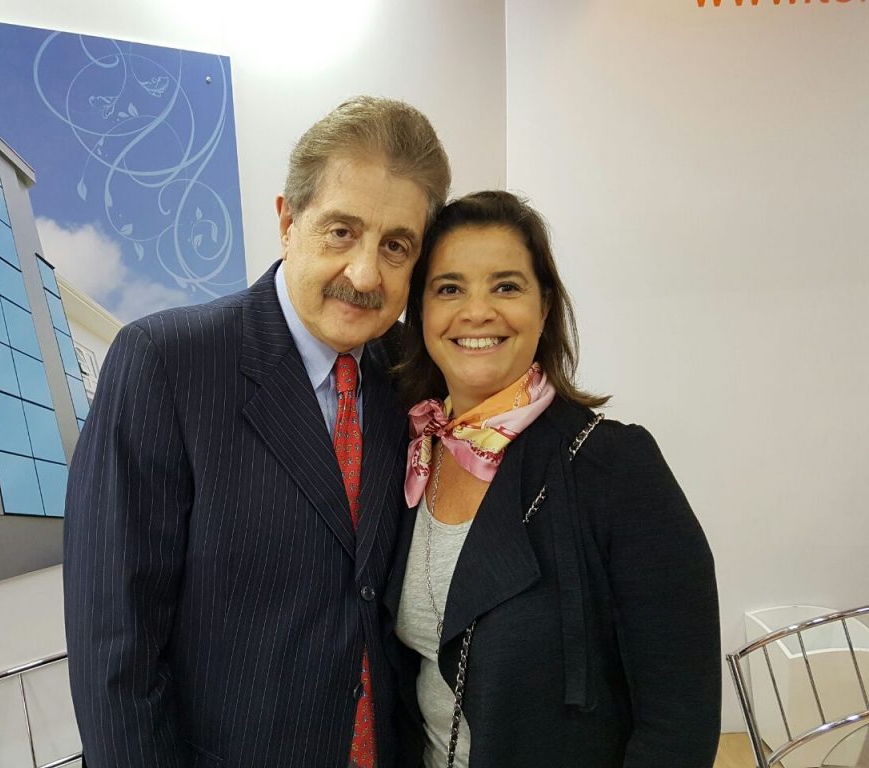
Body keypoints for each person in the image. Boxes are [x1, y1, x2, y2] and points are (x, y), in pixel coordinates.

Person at [63, 96, 451, 768]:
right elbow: (114, 649)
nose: (365, 274)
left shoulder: (412, 374)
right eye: (341, 231)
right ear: (288, 222)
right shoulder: (167, 363)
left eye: (396, 246)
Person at [384, 191, 721, 767]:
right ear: (422, 313)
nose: (477, 311)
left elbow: (679, 723)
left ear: (544, 309)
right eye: (449, 288)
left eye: (506, 286)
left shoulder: (615, 466)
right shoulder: (411, 453)